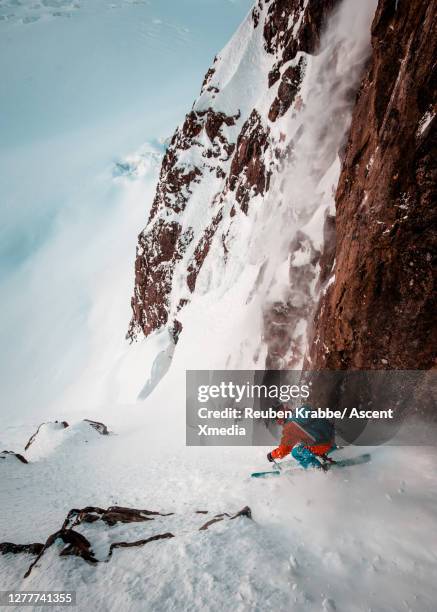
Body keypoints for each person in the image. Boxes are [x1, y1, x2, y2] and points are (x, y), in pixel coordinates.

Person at [267, 406, 335, 469]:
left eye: (276, 418)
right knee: (303, 444)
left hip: (323, 445)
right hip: (332, 438)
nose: (278, 422)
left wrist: (272, 455)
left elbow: (284, 449)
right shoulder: (301, 409)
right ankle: (324, 456)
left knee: (296, 452)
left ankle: (317, 469)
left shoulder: (291, 426)